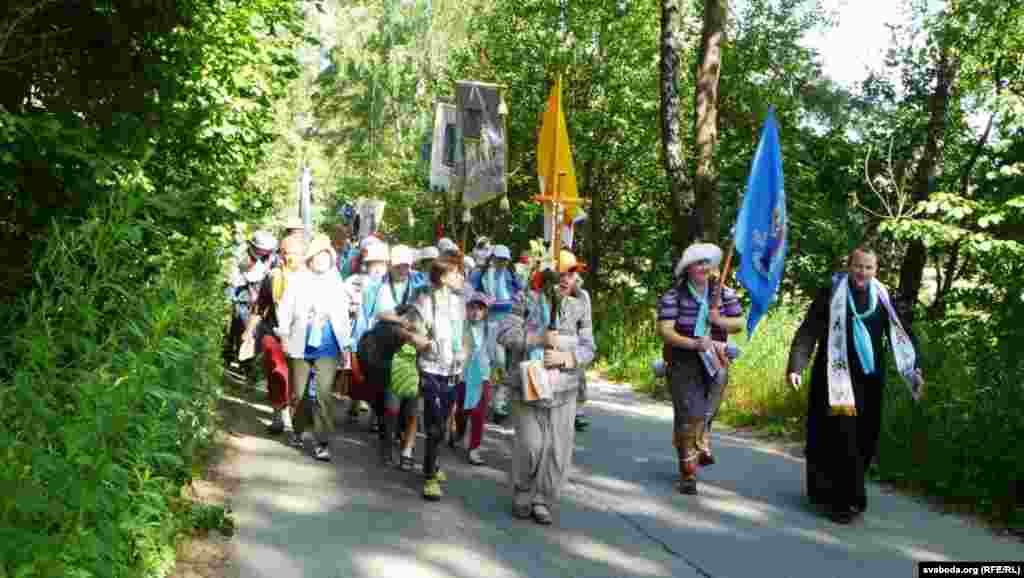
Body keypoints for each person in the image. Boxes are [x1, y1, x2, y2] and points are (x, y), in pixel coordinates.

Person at [787, 247, 925, 524]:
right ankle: (840, 500)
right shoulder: (831, 293)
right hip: (833, 378)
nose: (862, 272)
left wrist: (915, 368)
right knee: (838, 436)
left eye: (868, 268)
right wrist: (796, 365)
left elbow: (902, 333)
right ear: (849, 266)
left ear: (876, 271)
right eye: (858, 266)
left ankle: (848, 492)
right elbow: (809, 330)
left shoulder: (884, 299)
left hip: (869, 381)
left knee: (863, 437)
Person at [497, 249, 595, 525]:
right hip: (528, 386)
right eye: (561, 273)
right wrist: (537, 339)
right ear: (547, 275)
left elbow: (589, 347)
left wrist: (567, 356)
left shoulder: (582, 302)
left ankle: (543, 499)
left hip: (564, 389)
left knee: (557, 452)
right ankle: (523, 491)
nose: (567, 279)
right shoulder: (526, 297)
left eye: (572, 273)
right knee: (531, 446)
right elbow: (505, 334)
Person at [656, 243, 744, 495]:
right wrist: (693, 343)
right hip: (682, 360)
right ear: (688, 269)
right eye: (698, 263)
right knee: (689, 414)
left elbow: (738, 323)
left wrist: (719, 321)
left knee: (705, 414)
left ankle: (701, 439)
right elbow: (665, 331)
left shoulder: (723, 293)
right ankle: (688, 473)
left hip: (716, 360)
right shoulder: (675, 295)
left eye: (708, 263)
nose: (704, 268)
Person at [395, 257, 467, 501]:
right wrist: (420, 340)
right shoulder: (424, 300)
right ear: (444, 277)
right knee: (434, 423)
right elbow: (405, 329)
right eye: (457, 273)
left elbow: (465, 333)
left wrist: (465, 352)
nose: (461, 278)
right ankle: (429, 476)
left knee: (443, 422)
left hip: (453, 370)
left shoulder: (459, 302)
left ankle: (433, 464)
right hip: (430, 369)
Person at [276, 234, 351, 461]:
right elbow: (285, 309)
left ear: (331, 259)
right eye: (317, 256)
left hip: (328, 346)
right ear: (310, 259)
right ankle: (298, 431)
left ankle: (321, 442)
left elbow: (343, 317)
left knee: (323, 395)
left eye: (325, 256)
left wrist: (346, 346)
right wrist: (284, 336)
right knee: (299, 394)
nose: (321, 260)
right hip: (301, 342)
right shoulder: (298, 280)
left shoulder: (336, 283)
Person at [471, 244, 522, 422]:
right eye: (499, 259)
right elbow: (472, 295)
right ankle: (487, 399)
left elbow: (519, 292)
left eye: (505, 259)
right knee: (495, 361)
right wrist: (484, 301)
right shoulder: (481, 275)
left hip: (509, 324)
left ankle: (499, 401)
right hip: (488, 324)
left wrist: (516, 297)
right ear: (492, 258)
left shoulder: (510, 274)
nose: (502, 262)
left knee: (509, 362)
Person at [347, 239, 390, 428]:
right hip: (359, 334)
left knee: (378, 377)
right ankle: (354, 404)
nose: (378, 267)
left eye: (381, 263)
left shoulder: (389, 285)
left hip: (381, 337)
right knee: (357, 373)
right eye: (374, 263)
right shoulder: (355, 281)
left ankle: (375, 415)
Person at [454, 291, 496, 466]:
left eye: (480, 308)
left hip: (482, 376)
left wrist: (496, 371)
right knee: (462, 412)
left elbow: (494, 353)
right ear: (467, 308)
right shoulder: (460, 326)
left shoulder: (490, 329)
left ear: (485, 312)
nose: (476, 312)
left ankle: (474, 449)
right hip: (464, 375)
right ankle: (459, 432)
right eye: (472, 307)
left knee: (479, 414)